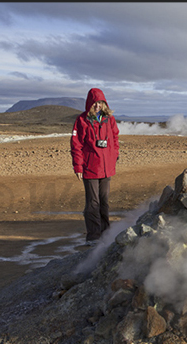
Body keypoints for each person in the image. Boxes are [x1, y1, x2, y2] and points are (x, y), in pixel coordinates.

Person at [71, 88, 120, 246]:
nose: (97, 105)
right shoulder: (82, 120)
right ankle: (93, 237)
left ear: (104, 103)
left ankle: (106, 234)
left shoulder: (109, 119)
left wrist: (114, 156)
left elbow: (115, 138)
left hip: (106, 168)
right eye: (95, 103)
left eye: (100, 102)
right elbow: (76, 144)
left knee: (104, 202)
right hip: (90, 167)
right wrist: (78, 167)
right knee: (93, 203)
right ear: (89, 103)